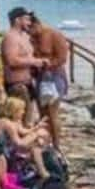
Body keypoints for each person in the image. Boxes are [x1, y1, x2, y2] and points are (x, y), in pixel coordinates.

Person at [29, 13, 72, 150]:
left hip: (54, 76)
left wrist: (46, 64)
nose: (30, 33)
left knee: (52, 112)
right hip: (40, 77)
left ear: (37, 24)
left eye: (31, 29)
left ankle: (57, 145)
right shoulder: (32, 38)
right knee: (42, 112)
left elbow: (62, 58)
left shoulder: (54, 34)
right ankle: (46, 142)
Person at [0, 7, 44, 124]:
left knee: (28, 119)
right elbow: (12, 61)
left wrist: (39, 62)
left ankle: (25, 140)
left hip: (28, 83)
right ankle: (18, 141)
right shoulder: (10, 37)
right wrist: (34, 62)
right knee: (20, 121)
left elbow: (27, 57)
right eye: (26, 20)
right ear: (17, 20)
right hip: (17, 85)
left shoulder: (24, 37)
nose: (29, 23)